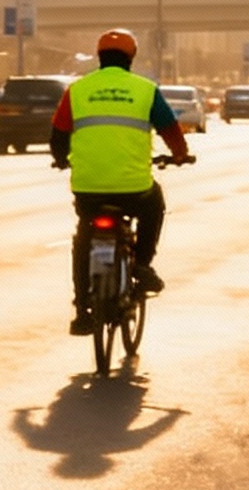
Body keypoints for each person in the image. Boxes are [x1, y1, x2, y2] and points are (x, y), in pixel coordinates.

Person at [50, 30, 192, 332]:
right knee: (155, 204)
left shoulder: (77, 90)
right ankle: (141, 264)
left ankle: (82, 311)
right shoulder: (145, 90)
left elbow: (58, 135)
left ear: (100, 57)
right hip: (135, 189)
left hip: (88, 188)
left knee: (83, 238)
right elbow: (171, 130)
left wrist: (62, 159)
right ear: (131, 58)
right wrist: (179, 155)